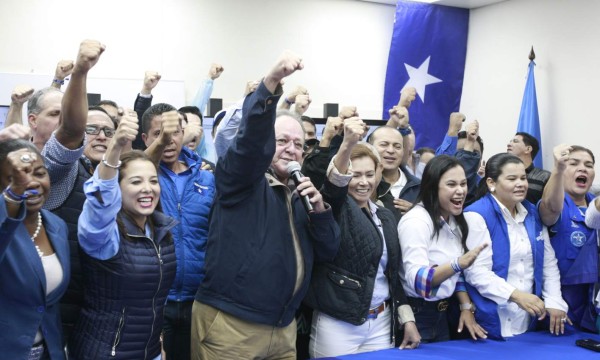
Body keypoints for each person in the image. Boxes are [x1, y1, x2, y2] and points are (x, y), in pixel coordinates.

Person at [192, 51, 340, 359]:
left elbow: (328, 251)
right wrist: (270, 85)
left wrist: (321, 214)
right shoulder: (241, 180)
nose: (292, 150)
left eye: (299, 145)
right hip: (232, 327)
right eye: (283, 141)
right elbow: (249, 146)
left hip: (284, 328)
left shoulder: (301, 194)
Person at [304, 117, 420, 357]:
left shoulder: (386, 216)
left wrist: (406, 318)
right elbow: (334, 187)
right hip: (339, 323)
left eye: (370, 174)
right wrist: (347, 143)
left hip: (381, 321)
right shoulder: (334, 206)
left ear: (379, 172)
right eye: (355, 175)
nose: (363, 182)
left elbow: (393, 275)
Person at [69, 112, 177, 359]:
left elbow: (152, 303)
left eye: (153, 181)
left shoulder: (160, 232)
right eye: (136, 182)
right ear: (117, 189)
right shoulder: (103, 234)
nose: (147, 188)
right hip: (105, 352)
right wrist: (115, 145)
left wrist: (156, 342)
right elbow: (101, 200)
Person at [463, 153, 570, 339]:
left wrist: (555, 301)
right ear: (491, 183)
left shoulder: (532, 212)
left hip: (528, 320)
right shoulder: (476, 215)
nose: (520, 184)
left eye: (523, 178)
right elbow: (476, 273)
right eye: (512, 179)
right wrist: (516, 295)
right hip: (490, 320)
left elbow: (548, 262)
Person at [142, 103, 216, 360]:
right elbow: (139, 167)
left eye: (175, 132)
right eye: (159, 133)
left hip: (199, 299)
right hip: (156, 300)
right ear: (146, 139)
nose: (169, 140)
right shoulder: (143, 177)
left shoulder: (207, 178)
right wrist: (160, 144)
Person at [398, 155, 488, 343]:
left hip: (444, 313)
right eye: (451, 184)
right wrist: (457, 264)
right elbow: (419, 282)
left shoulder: (453, 219)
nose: (460, 191)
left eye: (463, 184)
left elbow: (456, 275)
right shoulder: (416, 221)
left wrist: (465, 306)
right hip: (418, 315)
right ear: (432, 187)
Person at [0, 139, 70, 359]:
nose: (30, 183)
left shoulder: (57, 226)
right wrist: (12, 197)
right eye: (15, 178)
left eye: (39, 173)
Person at [539, 144, 598, 332]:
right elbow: (551, 207)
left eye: (589, 165)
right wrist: (558, 168)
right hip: (560, 310)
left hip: (593, 309)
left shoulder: (595, 205)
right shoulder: (557, 204)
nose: (583, 168)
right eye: (574, 163)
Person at [367, 122, 420, 222]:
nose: (391, 150)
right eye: (384, 144)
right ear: (370, 147)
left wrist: (417, 212)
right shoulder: (363, 185)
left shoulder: (419, 186)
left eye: (397, 146)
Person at [507, 132, 550, 204]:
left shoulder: (545, 177)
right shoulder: (503, 173)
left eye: (515, 141)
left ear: (528, 149)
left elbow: (550, 207)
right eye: (510, 141)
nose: (509, 144)